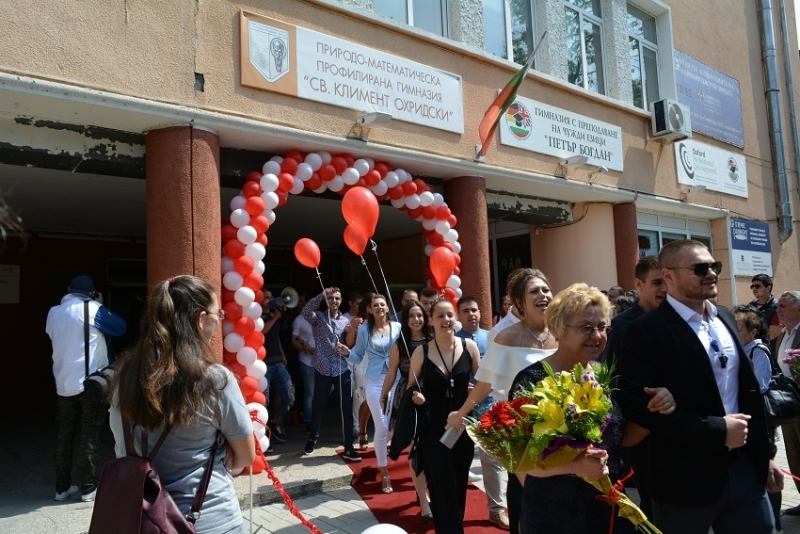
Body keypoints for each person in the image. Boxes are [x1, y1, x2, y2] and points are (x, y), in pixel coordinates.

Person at [619, 240, 781, 533]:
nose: (712, 274)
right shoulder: (646, 330)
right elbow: (638, 407)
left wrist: (766, 455)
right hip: (684, 481)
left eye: (714, 266)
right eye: (700, 269)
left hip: (743, 472)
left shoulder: (726, 317)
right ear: (668, 276)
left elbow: (748, 393)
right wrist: (718, 430)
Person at [510, 283, 672, 533]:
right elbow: (520, 460)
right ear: (559, 328)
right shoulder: (532, 381)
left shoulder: (602, 374)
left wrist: (655, 408)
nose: (597, 335)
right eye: (586, 327)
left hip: (610, 510)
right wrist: (574, 466)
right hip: (555, 515)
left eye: (602, 327)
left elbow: (621, 437)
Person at [108, 276, 255, 533]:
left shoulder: (124, 377)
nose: (219, 320)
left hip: (144, 520)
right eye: (218, 314)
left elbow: (123, 450)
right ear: (201, 319)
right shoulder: (215, 380)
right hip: (209, 519)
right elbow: (246, 455)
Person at [473, 268, 558, 534]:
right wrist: (461, 413)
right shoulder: (504, 335)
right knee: (527, 507)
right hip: (522, 435)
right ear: (519, 302)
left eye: (546, 289)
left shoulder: (562, 332)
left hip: (560, 432)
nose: (543, 295)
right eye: (534, 291)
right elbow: (486, 382)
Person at [46, 275, 127, 502]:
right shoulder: (93, 309)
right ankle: (88, 488)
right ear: (92, 293)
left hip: (63, 383)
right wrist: (100, 305)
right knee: (89, 434)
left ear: (68, 289)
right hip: (90, 385)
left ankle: (61, 488)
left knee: (64, 435)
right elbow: (120, 327)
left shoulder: (53, 312)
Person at [407, 298, 482, 534]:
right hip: (433, 428)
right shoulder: (421, 352)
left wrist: (473, 393)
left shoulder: (469, 347)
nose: (446, 320)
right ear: (430, 320)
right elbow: (410, 387)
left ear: (455, 318)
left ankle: (452, 528)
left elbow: (483, 384)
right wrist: (416, 395)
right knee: (441, 485)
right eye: (440, 316)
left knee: (458, 484)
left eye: (450, 315)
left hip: (462, 426)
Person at [600, 254, 666, 518]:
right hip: (641, 431)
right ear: (639, 285)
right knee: (653, 502)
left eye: (667, 281)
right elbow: (611, 377)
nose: (664, 289)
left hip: (676, 425)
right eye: (657, 282)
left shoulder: (676, 318)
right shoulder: (622, 325)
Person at [456, 296, 509, 530]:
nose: (471, 314)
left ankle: (496, 510)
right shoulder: (452, 341)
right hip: (459, 410)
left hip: (488, 408)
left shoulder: (492, 338)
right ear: (459, 315)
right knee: (455, 460)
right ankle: (448, 508)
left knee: (492, 460)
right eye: (466, 311)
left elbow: (502, 372)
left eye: (474, 310)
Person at [342, 293, 401, 493]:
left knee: (391, 426)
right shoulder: (364, 330)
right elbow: (358, 356)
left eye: (382, 304)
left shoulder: (398, 327)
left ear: (387, 307)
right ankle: (384, 471)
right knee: (382, 426)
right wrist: (347, 353)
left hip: (396, 379)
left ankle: (383, 450)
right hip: (374, 380)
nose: (379, 307)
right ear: (369, 309)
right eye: (375, 305)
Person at [381, 300, 433, 520]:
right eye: (411, 315)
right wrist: (383, 395)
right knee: (416, 448)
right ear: (405, 319)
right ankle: (423, 500)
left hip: (433, 396)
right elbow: (392, 373)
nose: (416, 319)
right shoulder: (399, 344)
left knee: (432, 448)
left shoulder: (433, 339)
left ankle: (426, 487)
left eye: (419, 315)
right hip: (408, 396)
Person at [734, 307, 781, 530]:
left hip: (761, 419)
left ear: (752, 332)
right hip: (747, 418)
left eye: (739, 329)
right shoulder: (740, 351)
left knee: (766, 469)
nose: (735, 333)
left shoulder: (758, 351)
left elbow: (761, 385)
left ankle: (776, 523)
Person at [301, 287, 361, 461]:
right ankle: (313, 437)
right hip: (323, 367)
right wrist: (321, 295)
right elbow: (305, 311)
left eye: (337, 298)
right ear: (326, 301)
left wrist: (352, 331)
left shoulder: (345, 320)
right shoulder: (318, 318)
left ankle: (349, 445)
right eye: (331, 298)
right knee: (318, 406)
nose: (334, 301)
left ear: (341, 301)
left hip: (341, 368)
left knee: (346, 408)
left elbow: (350, 344)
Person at [775, 290, 800, 515]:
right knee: (793, 452)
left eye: (782, 306)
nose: (778, 310)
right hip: (788, 404)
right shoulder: (783, 334)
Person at [261, 289, 293, 444]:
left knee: (290, 396)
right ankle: (264, 433)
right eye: (266, 297)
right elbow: (262, 331)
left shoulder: (275, 314)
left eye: (271, 297)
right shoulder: (257, 316)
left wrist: (282, 354)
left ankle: (275, 421)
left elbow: (275, 337)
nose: (269, 299)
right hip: (264, 365)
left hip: (278, 362)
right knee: (264, 401)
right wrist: (275, 318)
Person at [342, 292, 368, 445]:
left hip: (369, 363)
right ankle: (355, 426)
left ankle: (360, 426)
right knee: (356, 396)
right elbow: (349, 343)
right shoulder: (345, 318)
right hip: (350, 362)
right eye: (358, 303)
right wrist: (352, 327)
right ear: (351, 303)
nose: (361, 307)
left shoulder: (371, 320)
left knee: (365, 395)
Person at [292, 293, 316, 429]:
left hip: (321, 361)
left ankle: (315, 418)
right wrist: (305, 347)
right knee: (310, 392)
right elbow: (292, 341)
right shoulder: (299, 320)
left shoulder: (321, 318)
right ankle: (309, 421)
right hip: (306, 361)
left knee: (327, 389)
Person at [487, 269, 525, 345]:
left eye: (545, 290)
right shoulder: (498, 331)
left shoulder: (545, 326)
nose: (541, 296)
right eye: (533, 291)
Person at [749, 274, 782, 342]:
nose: (754, 289)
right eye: (752, 286)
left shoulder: (778, 307)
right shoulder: (751, 306)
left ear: (768, 288)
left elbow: (771, 335)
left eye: (757, 286)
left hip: (768, 347)